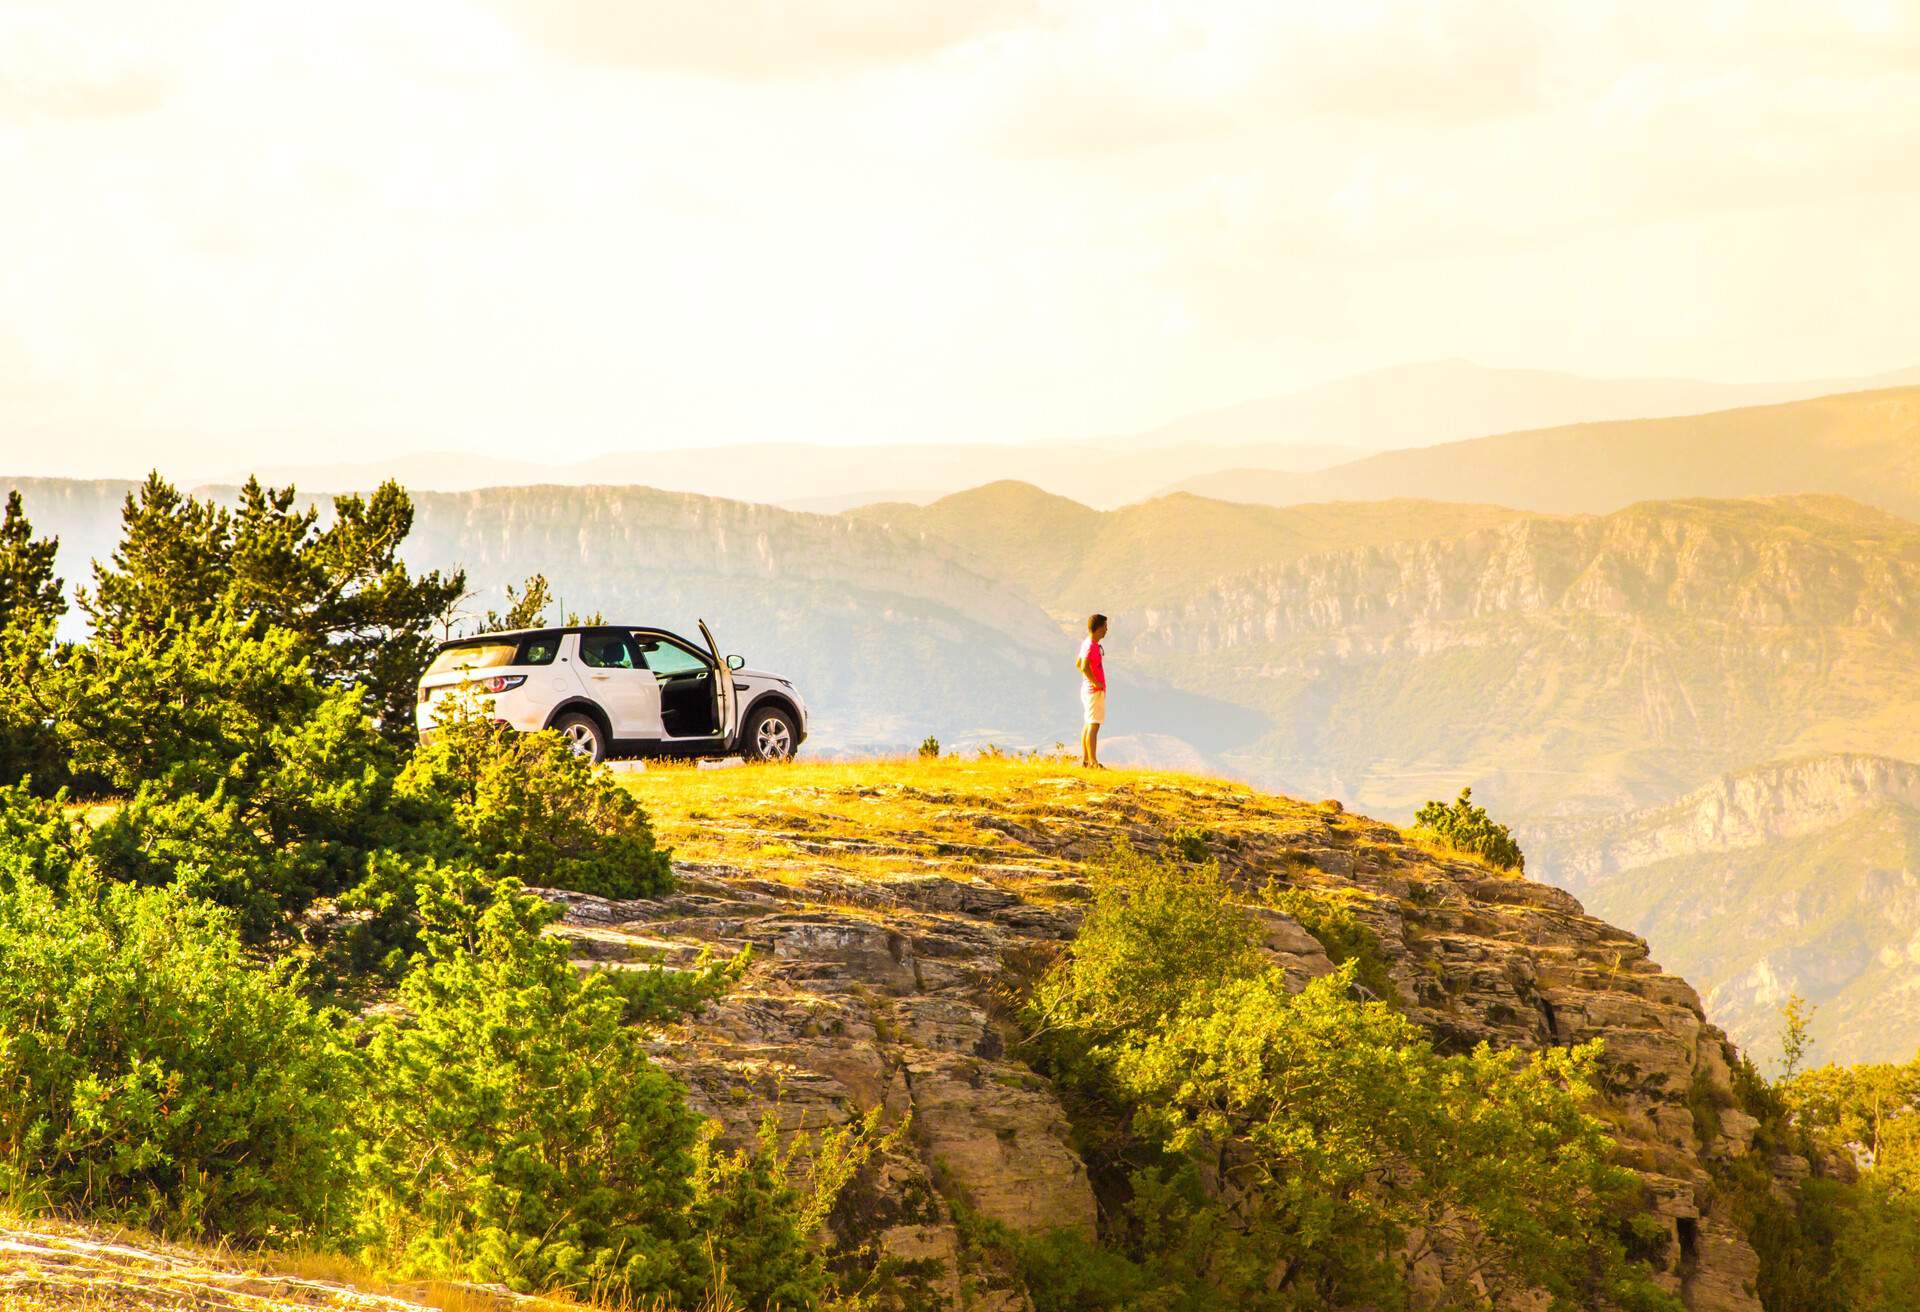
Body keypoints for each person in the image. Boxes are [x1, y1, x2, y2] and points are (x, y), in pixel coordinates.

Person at [1076, 613, 1108, 769]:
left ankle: (1086, 760)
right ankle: (1093, 761)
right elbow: (1083, 666)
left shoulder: (1087, 643)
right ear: (1099, 628)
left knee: (1088, 724)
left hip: (1087, 690)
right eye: (1105, 626)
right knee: (1094, 726)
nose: (1106, 630)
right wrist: (1096, 682)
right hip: (1094, 690)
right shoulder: (1091, 646)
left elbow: (1078, 663)